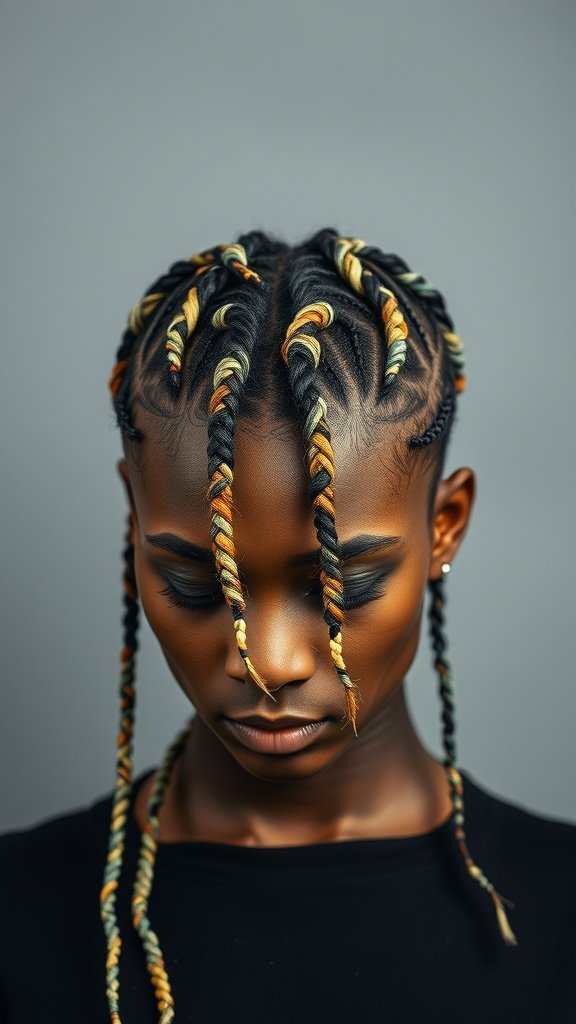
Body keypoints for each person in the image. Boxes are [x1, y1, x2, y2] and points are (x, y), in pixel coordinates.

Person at [0, 228, 574, 1024]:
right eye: (198, 583)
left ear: (444, 527)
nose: (266, 661)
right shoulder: (15, 916)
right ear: (135, 521)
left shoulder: (561, 918)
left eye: (343, 584)